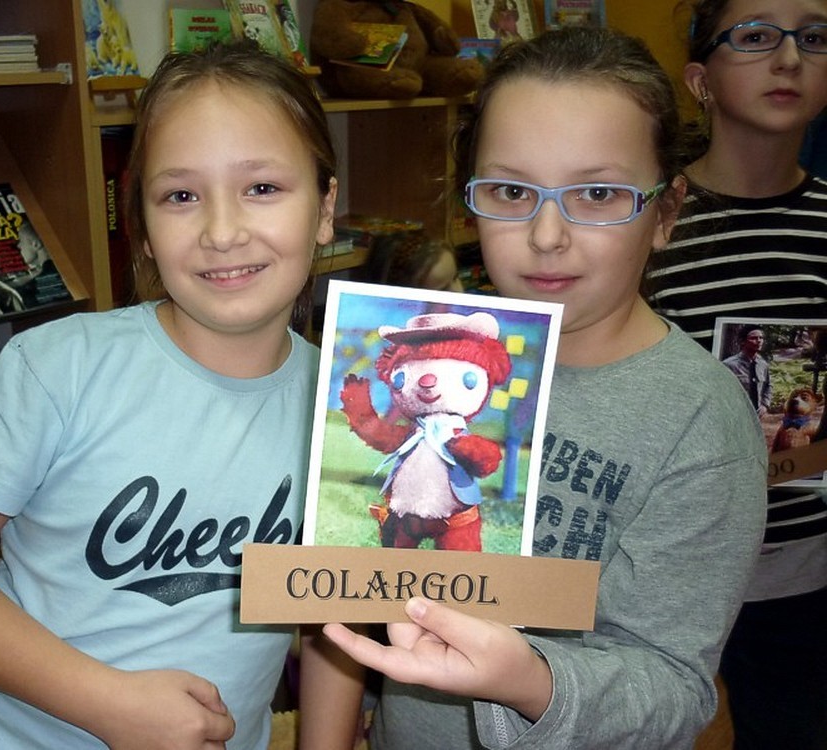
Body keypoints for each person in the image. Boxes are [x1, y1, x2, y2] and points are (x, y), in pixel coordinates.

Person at [299, 26, 769, 750]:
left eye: (599, 193)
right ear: (472, 201)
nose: (548, 235)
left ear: (666, 212)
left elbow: (675, 688)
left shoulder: (700, 420)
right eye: (513, 191)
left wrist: (530, 680)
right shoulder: (434, 358)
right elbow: (358, 577)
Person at [0, 40, 338, 750]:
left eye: (263, 188)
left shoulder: (353, 412)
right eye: (181, 196)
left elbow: (338, 611)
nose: (222, 232)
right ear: (142, 230)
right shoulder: (56, 369)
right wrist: (107, 704)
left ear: (325, 207)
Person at [644, 1, 827, 747]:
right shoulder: (651, 219)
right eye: (755, 37)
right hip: (664, 570)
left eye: (814, 37)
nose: (789, 58)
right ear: (701, 80)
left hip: (799, 575)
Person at [721, 326, 772, 415]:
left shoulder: (762, 364)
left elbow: (768, 385)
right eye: (753, 338)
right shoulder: (729, 364)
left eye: (761, 338)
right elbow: (721, 391)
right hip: (736, 413)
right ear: (742, 341)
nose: (759, 341)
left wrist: (765, 405)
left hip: (756, 414)